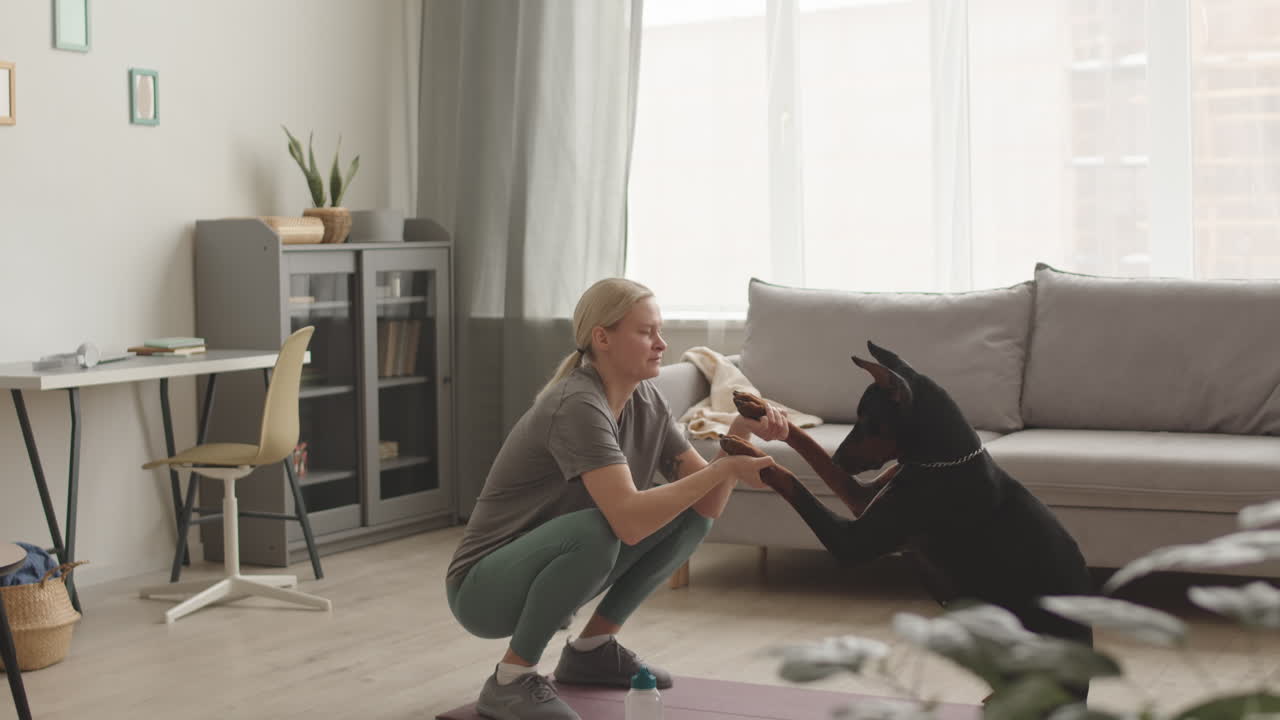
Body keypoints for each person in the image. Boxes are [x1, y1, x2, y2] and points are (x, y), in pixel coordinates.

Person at [445, 278, 788, 720]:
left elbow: (705, 508)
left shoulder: (646, 399)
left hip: (548, 563)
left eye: (659, 331)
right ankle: (510, 680)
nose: (662, 345)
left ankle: (591, 650)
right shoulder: (576, 404)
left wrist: (739, 433)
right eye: (646, 332)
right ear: (601, 338)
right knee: (598, 527)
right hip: (482, 590)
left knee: (686, 519)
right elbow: (627, 521)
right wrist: (726, 468)